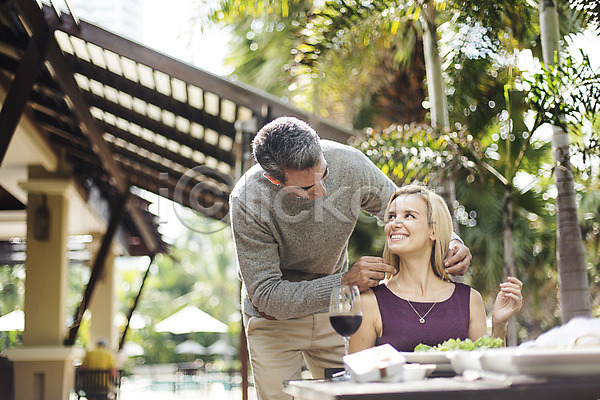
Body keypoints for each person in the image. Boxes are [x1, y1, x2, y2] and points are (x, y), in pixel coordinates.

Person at [229, 116, 473, 400]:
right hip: (274, 322)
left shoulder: (348, 163)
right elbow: (267, 295)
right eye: (307, 188)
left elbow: (403, 207)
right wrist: (344, 282)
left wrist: (450, 240)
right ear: (273, 178)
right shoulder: (247, 201)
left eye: (324, 174)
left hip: (337, 315)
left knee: (352, 395)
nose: (321, 191)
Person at [349, 184, 523, 354]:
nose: (395, 223)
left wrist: (499, 324)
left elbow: (488, 372)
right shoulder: (368, 302)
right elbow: (357, 375)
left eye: (409, 215)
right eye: (392, 216)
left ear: (433, 231)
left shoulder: (469, 300)